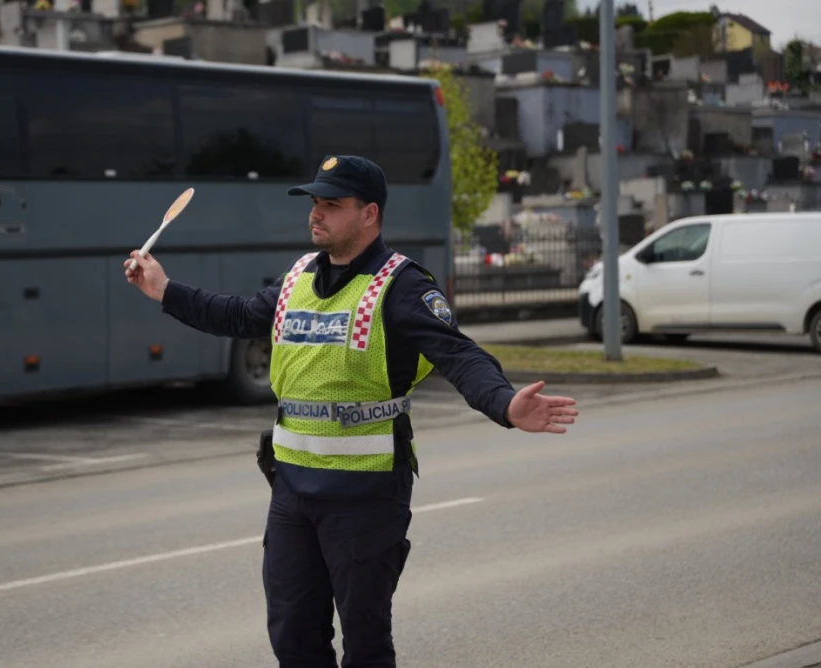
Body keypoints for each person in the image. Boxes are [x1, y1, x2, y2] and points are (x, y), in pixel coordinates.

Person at [124, 155, 579, 668]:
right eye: (315, 203)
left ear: (369, 214)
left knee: (364, 646)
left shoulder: (402, 285)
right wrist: (163, 289)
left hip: (365, 495)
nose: (316, 214)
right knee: (294, 638)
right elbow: (239, 315)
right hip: (292, 492)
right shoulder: (297, 276)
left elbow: (460, 354)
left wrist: (504, 403)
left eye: (332, 205)